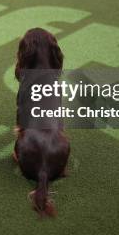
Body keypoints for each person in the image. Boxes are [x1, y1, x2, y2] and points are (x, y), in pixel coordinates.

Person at [13, 28, 71, 217]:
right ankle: (51, 169)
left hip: (27, 165)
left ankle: (24, 159)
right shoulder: (55, 86)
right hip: (58, 161)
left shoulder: (26, 84)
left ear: (25, 55)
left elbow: (21, 122)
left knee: (27, 133)